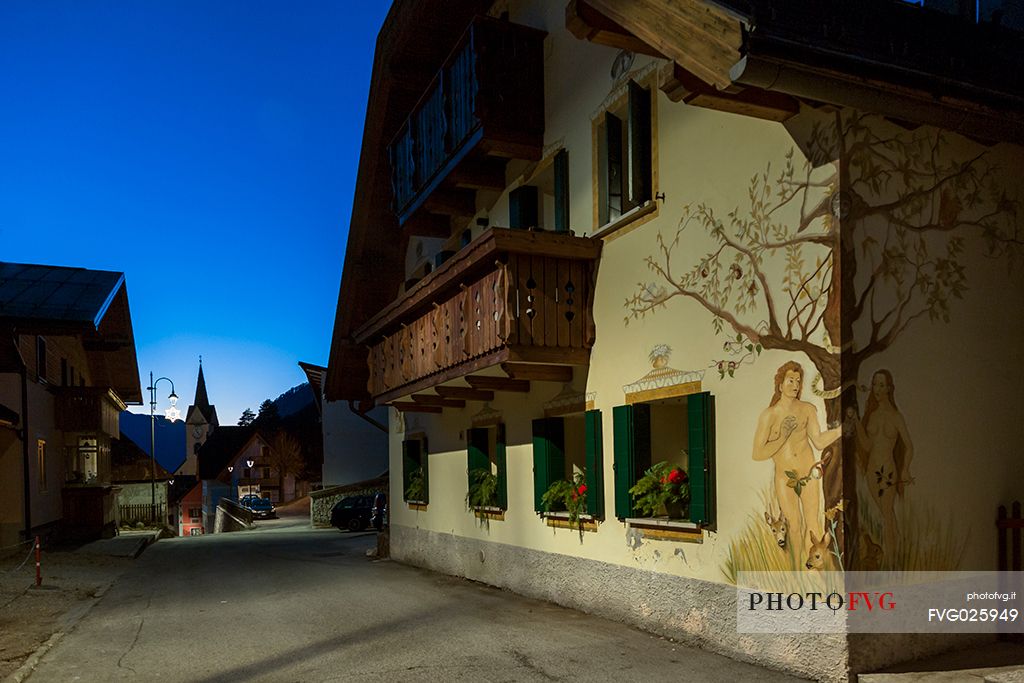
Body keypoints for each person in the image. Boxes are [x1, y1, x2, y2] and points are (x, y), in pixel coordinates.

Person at [752, 361, 841, 556]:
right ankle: (797, 572)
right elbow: (758, 453)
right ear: (780, 385)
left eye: (798, 381)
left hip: (808, 474)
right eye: (790, 380)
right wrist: (783, 436)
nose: (795, 385)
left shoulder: (807, 409)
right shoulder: (770, 415)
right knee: (793, 525)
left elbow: (818, 441)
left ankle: (813, 571)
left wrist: (840, 431)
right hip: (785, 478)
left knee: (813, 523)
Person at [852, 369, 913, 553]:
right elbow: (868, 446)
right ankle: (895, 550)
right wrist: (855, 421)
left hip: (888, 470)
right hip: (872, 470)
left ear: (888, 388)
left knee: (887, 514)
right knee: (886, 515)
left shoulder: (895, 416)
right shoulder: (871, 415)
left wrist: (905, 469)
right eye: (874, 384)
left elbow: (908, 446)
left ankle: (890, 557)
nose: (876, 389)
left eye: (880, 385)